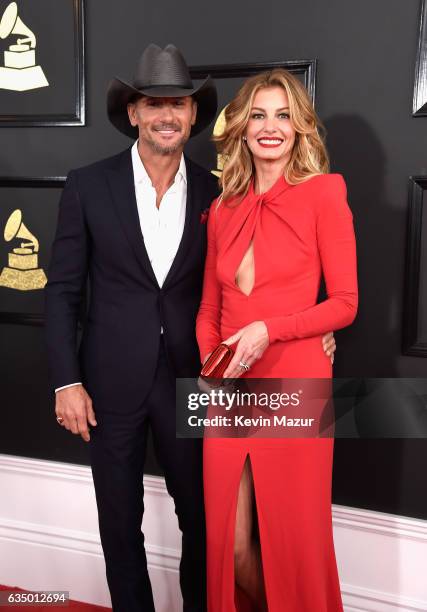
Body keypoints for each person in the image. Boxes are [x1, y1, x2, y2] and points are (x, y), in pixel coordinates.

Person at [45, 45, 336, 611]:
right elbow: (61, 290)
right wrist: (65, 380)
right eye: (153, 102)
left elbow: (265, 272)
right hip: (109, 384)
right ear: (132, 113)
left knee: (207, 523)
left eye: (177, 103)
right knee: (119, 523)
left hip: (198, 381)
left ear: (193, 115)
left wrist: (316, 329)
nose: (166, 114)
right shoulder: (88, 184)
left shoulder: (217, 192)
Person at [196, 68, 358, 611]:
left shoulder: (324, 194)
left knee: (293, 543)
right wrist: (211, 370)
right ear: (241, 128)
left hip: (297, 382)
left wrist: (270, 330)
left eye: (284, 115)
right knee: (231, 545)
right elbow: (208, 310)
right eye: (259, 115)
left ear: (300, 129)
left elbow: (345, 304)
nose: (271, 127)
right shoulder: (222, 209)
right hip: (227, 391)